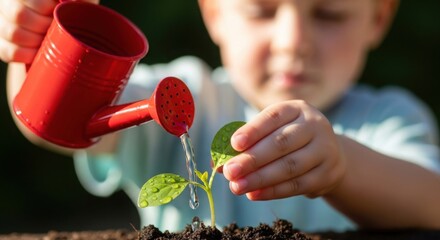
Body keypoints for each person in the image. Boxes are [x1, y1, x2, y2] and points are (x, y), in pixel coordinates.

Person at [2, 0, 440, 233]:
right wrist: (36, 42)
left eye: (330, 14)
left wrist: (343, 167)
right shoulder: (188, 97)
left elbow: (430, 201)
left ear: (378, 18)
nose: (293, 41)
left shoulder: (388, 119)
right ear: (213, 12)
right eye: (261, 10)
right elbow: (57, 122)